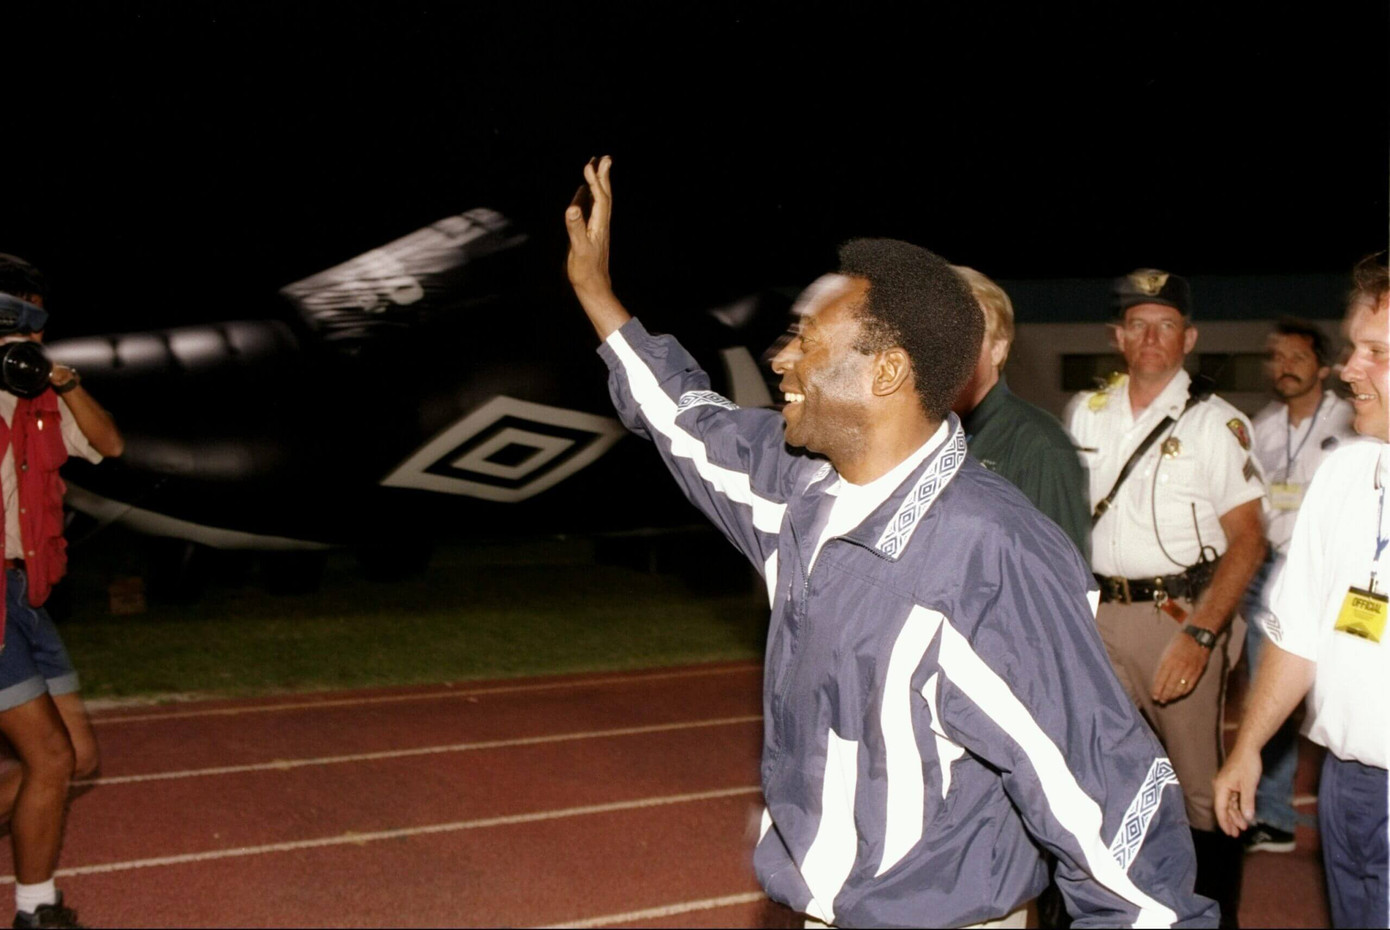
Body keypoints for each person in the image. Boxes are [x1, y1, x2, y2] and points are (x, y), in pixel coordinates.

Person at [566, 157, 1215, 928]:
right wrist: (598, 296)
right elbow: (688, 419)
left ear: (887, 374)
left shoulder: (987, 555)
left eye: (805, 342)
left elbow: (1107, 808)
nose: (780, 359)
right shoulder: (798, 485)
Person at [1066, 269, 1266, 927]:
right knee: (1098, 770)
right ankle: (1118, 906)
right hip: (1099, 615)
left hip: (1177, 620)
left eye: (1167, 324)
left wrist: (1203, 634)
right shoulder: (1085, 411)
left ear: (1190, 337)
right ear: (1117, 337)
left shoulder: (1217, 423)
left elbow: (1247, 543)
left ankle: (1214, 913)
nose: (1152, 336)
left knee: (1202, 788)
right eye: (1138, 324)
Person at [1214, 254, 1389, 929]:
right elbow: (1297, 630)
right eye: (1352, 348)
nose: (1351, 368)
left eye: (1375, 351)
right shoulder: (1344, 476)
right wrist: (1248, 746)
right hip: (1347, 787)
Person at [0, 255, 124, 929]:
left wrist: (66, 384)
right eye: (21, 327)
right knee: (47, 757)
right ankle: (35, 911)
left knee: (74, 757)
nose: (33, 344)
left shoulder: (44, 396)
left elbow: (109, 441)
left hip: (27, 595)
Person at [1239, 317, 1356, 854]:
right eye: (1276, 358)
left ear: (1325, 368)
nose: (1283, 368)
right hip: (1274, 574)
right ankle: (1277, 816)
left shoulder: (1351, 422)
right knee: (1271, 692)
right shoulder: (1260, 426)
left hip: (1338, 576)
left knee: (1348, 693)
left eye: (1297, 358)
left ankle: (1359, 813)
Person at [949, 265, 1090, 561]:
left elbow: (1062, 578)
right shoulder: (921, 436)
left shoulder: (1038, 445)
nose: (950, 351)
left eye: (969, 335)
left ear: (998, 349)